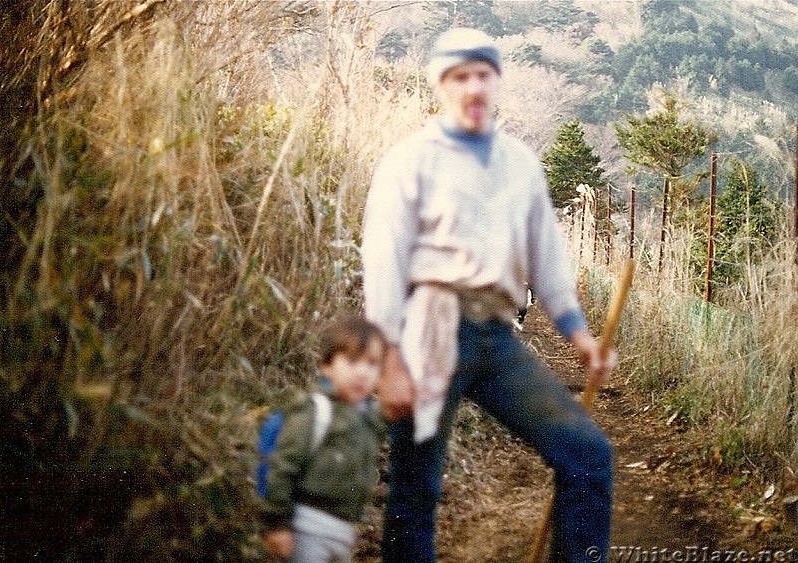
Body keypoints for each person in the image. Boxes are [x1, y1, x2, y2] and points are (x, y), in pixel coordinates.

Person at [361, 27, 617, 563]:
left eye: (483, 74)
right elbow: (384, 262)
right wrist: (388, 359)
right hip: (428, 331)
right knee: (416, 490)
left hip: (497, 337)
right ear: (441, 86)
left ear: (498, 81)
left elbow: (546, 258)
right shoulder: (410, 160)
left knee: (587, 454)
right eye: (460, 77)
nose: (473, 87)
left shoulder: (519, 163)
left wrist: (579, 334)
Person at [259, 316, 388, 563]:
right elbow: (284, 467)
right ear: (326, 366)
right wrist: (277, 524)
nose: (362, 372)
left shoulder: (367, 417)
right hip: (306, 528)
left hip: (344, 532)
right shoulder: (314, 411)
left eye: (372, 364)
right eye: (351, 361)